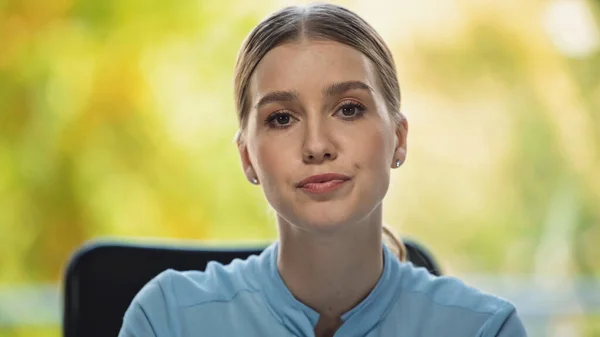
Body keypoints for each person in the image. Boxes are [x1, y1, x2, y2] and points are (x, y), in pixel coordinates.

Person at [118, 3, 527, 337]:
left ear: (398, 139)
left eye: (349, 109)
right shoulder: (168, 320)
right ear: (248, 157)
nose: (316, 146)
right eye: (281, 118)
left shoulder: (484, 329)